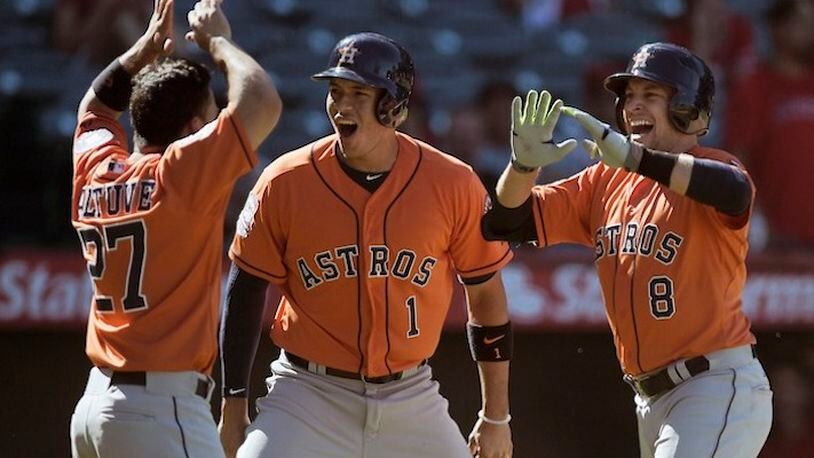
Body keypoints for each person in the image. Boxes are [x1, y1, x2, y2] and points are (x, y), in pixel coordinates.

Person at [218, 32, 514, 458]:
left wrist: (495, 417)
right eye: (336, 91)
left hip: (410, 394)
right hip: (307, 393)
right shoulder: (285, 182)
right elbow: (244, 290)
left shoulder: (453, 183)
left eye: (359, 93)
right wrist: (233, 405)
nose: (342, 105)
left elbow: (486, 298)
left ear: (394, 107)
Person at [482, 42, 772, 457]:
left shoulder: (716, 166)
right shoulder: (605, 180)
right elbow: (507, 221)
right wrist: (522, 168)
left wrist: (637, 158)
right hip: (649, 399)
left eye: (650, 96)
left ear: (688, 109)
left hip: (713, 384)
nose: (633, 106)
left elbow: (734, 190)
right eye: (629, 96)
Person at [69, 0, 281, 456]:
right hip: (160, 410)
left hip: (93, 407)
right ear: (193, 129)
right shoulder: (180, 173)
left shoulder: (96, 167)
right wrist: (218, 41)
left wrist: (139, 54)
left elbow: (95, 108)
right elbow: (262, 100)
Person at [724, 0, 814, 251]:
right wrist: (757, 218)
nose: (811, 30)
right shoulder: (755, 87)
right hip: (778, 240)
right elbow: (739, 159)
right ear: (778, 28)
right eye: (803, 23)